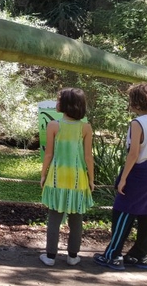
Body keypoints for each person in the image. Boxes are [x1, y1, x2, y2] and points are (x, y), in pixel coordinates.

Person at [94, 83, 147, 270]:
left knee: (123, 210)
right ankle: (140, 255)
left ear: (138, 102)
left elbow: (133, 154)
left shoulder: (137, 123)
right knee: (146, 213)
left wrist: (123, 177)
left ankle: (113, 255)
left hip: (139, 170)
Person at [39, 87, 95, 266]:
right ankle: (72, 256)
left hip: (57, 177)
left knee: (54, 218)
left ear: (67, 104)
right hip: (79, 179)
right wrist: (92, 180)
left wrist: (43, 175)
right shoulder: (85, 128)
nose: (56, 103)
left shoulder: (54, 125)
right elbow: (88, 157)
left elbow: (48, 154)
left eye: (58, 100)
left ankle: (50, 256)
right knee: (76, 218)